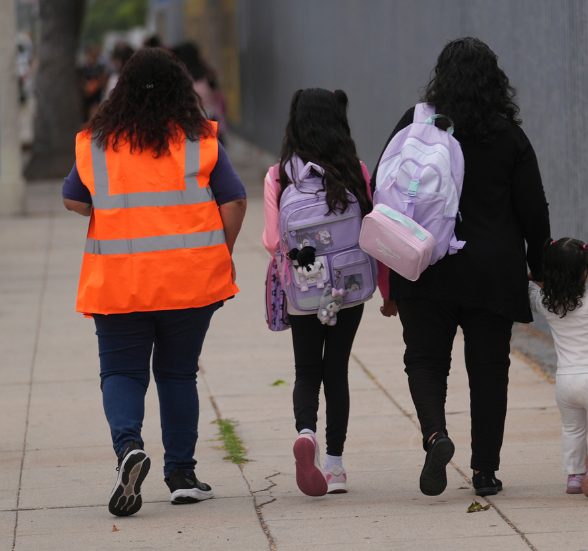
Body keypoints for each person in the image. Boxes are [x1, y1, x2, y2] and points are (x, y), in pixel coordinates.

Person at [61, 47, 247, 517]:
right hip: (189, 282)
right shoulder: (199, 141)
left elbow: (74, 201)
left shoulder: (97, 143)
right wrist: (220, 254)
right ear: (180, 89)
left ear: (122, 89)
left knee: (122, 373)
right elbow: (234, 202)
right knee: (178, 373)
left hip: (119, 283)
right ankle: (181, 476)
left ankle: (129, 448)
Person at [373, 37, 551, 498]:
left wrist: (388, 273)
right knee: (489, 370)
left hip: (426, 260)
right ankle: (485, 472)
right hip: (492, 269)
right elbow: (533, 209)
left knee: (425, 360)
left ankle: (436, 435)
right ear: (495, 80)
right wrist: (540, 266)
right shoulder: (508, 135)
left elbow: (383, 186)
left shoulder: (417, 124)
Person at [262, 88, 376, 497]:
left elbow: (272, 240)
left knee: (307, 370)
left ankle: (306, 433)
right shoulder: (355, 171)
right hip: (348, 288)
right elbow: (372, 229)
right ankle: (335, 467)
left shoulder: (279, 176)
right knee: (337, 370)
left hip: (303, 289)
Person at [528, 238, 588, 499]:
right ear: (584, 272)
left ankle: (575, 475)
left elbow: (531, 292)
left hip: (565, 382)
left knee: (572, 429)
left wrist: (532, 277)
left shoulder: (547, 303)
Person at [80, 45, 108, 121]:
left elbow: (103, 82)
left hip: (96, 95)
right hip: (85, 96)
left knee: (93, 114)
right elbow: (81, 81)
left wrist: (95, 85)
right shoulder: (83, 69)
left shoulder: (100, 69)